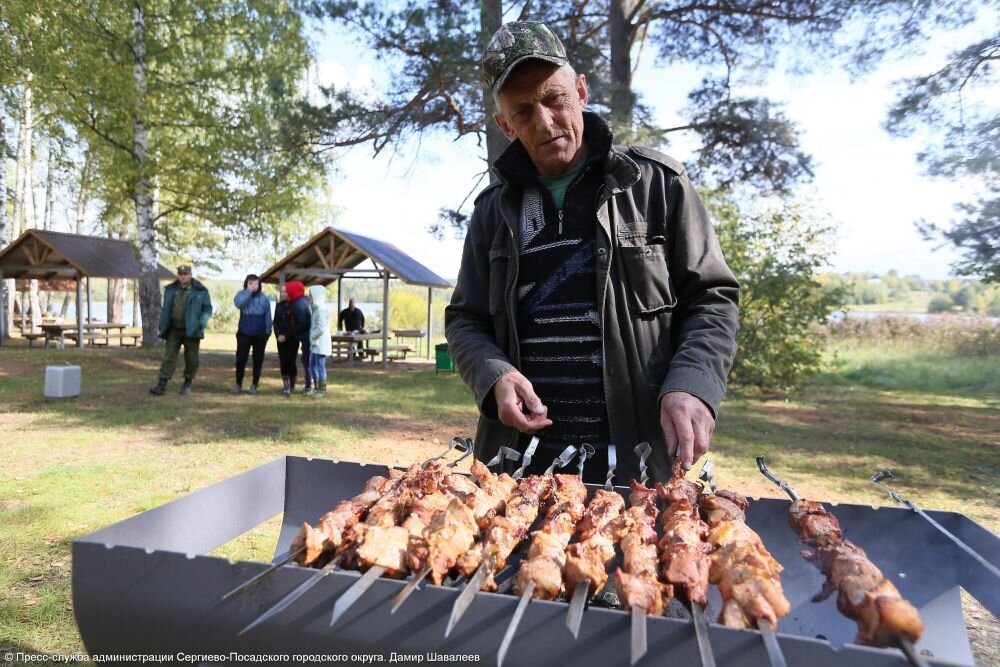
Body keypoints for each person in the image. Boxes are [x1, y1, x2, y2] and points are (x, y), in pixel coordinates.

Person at [444, 22, 740, 484]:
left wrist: (693, 383)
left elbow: (712, 298)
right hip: (520, 465)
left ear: (581, 92)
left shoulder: (655, 185)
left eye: (555, 99)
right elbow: (466, 319)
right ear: (505, 125)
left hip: (639, 460)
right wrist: (492, 374)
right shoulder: (492, 211)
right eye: (523, 112)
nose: (545, 122)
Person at [150, 265, 213, 396]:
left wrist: (201, 323)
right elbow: (165, 308)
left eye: (185, 274)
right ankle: (162, 384)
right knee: (169, 357)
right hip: (173, 329)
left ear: (190, 275)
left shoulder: (200, 291)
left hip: (192, 330)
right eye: (180, 274)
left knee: (191, 358)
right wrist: (162, 324)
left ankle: (187, 382)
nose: (183, 277)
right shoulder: (171, 289)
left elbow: (207, 308)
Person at [232, 273, 272, 395]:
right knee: (240, 359)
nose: (254, 285)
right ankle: (238, 384)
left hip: (260, 335)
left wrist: (267, 332)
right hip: (244, 333)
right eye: (251, 283)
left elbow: (268, 316)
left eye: (256, 283)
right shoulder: (241, 295)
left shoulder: (264, 299)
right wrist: (249, 291)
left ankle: (254, 384)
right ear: (246, 284)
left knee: (258, 360)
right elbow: (238, 304)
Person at [272, 280, 311, 395]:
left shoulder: (296, 305)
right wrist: (278, 335)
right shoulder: (279, 306)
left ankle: (293, 385)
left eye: (285, 292)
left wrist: (286, 336)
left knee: (291, 361)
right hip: (280, 337)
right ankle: (286, 386)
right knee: (283, 361)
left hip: (292, 337)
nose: (282, 294)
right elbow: (275, 322)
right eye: (281, 292)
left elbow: (296, 324)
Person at [308, 285, 332, 398]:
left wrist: (312, 336)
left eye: (310, 296)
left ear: (316, 296)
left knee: (320, 366)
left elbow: (321, 328)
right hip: (315, 343)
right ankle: (316, 387)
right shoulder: (316, 309)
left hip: (320, 344)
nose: (309, 298)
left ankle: (322, 390)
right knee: (312, 365)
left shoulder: (322, 310)